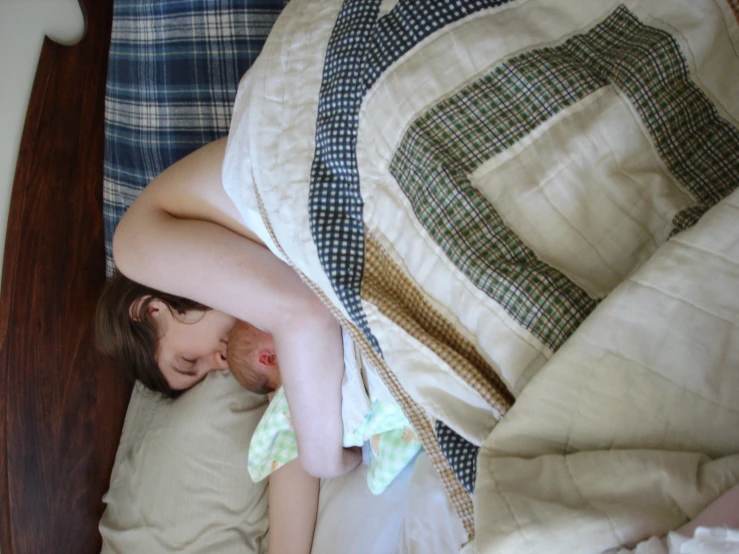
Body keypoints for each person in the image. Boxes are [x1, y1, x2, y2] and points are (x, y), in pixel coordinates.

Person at [96, 136, 361, 481]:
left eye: (190, 361)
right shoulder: (258, 313)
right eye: (207, 372)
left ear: (150, 311)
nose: (219, 363)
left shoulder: (131, 247)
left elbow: (306, 313)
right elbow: (287, 416)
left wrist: (323, 462)